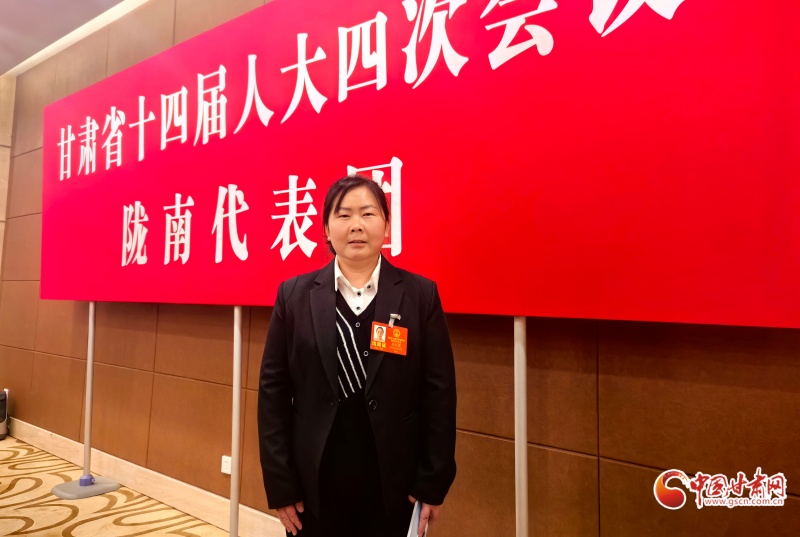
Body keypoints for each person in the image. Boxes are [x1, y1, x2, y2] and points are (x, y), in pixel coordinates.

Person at [258, 175, 457, 537]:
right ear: (326, 229)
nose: (356, 225)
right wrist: (280, 483)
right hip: (313, 485)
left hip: (395, 485)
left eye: (368, 213)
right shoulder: (293, 296)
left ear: (387, 225)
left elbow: (439, 395)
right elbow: (273, 395)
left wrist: (433, 480)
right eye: (344, 214)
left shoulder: (420, 295)